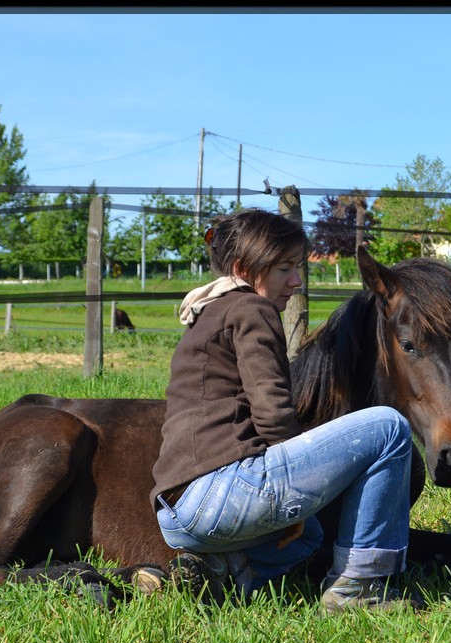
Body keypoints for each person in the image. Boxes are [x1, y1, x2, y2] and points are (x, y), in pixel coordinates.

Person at [150, 207, 422, 614]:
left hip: (178, 512)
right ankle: (360, 588)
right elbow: (273, 409)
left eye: (297, 267)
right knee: (389, 428)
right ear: (244, 269)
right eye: (284, 269)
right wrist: (303, 488)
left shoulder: (206, 315)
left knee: (309, 535)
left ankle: (226, 573)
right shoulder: (251, 309)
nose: (296, 281)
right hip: (222, 493)